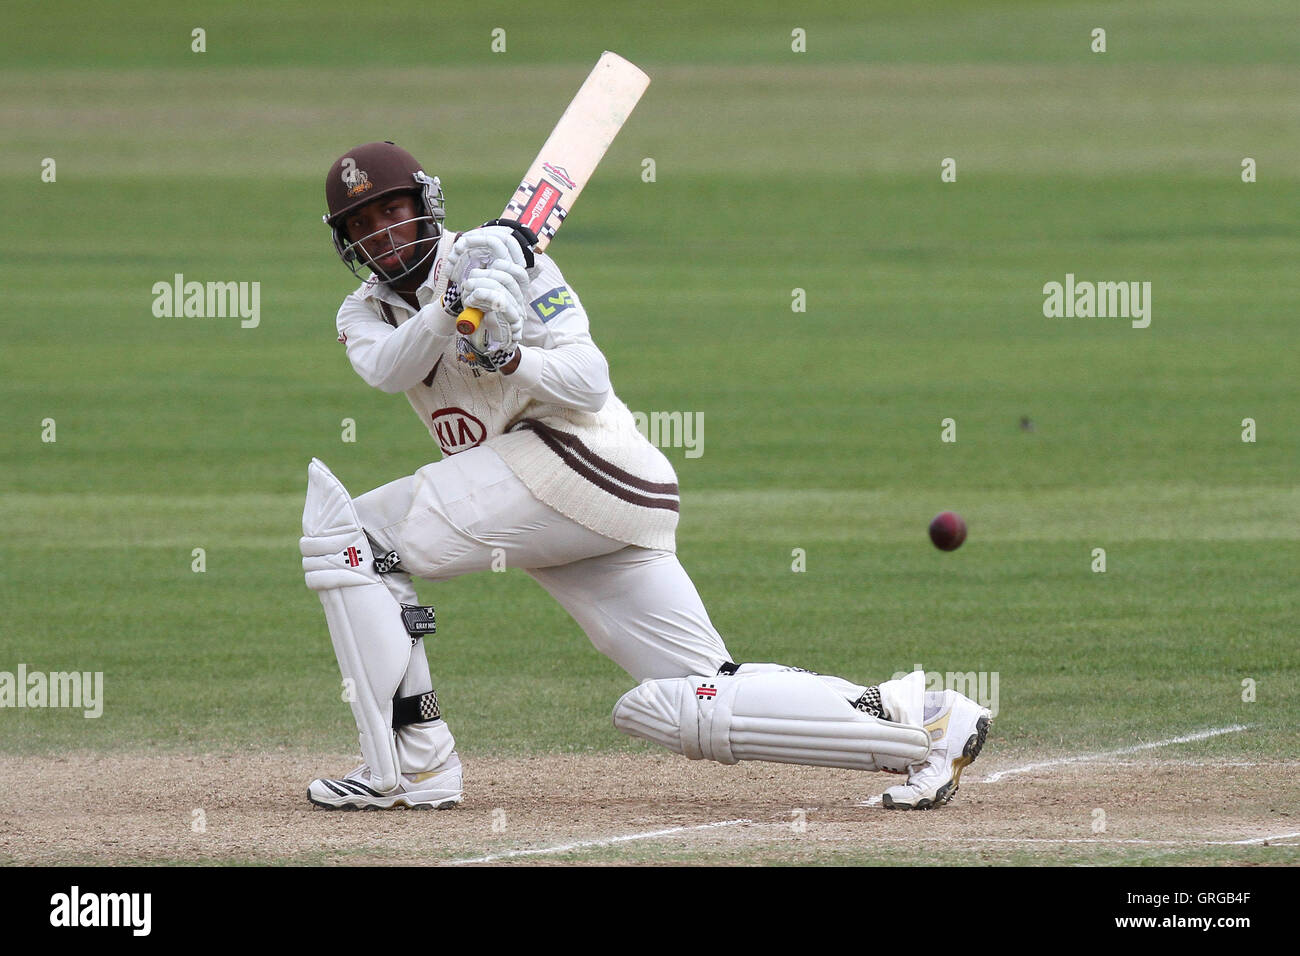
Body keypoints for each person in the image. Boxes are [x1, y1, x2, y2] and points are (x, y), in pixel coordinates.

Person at [300, 141, 991, 812]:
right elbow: (389, 368)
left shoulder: (511, 261)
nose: (382, 234)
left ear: (426, 205)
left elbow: (590, 383)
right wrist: (450, 308)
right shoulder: (363, 311)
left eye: (391, 212)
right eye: (362, 226)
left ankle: (410, 767)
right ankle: (925, 723)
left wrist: (513, 359)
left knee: (352, 536)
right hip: (553, 500)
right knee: (697, 695)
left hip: (584, 461)